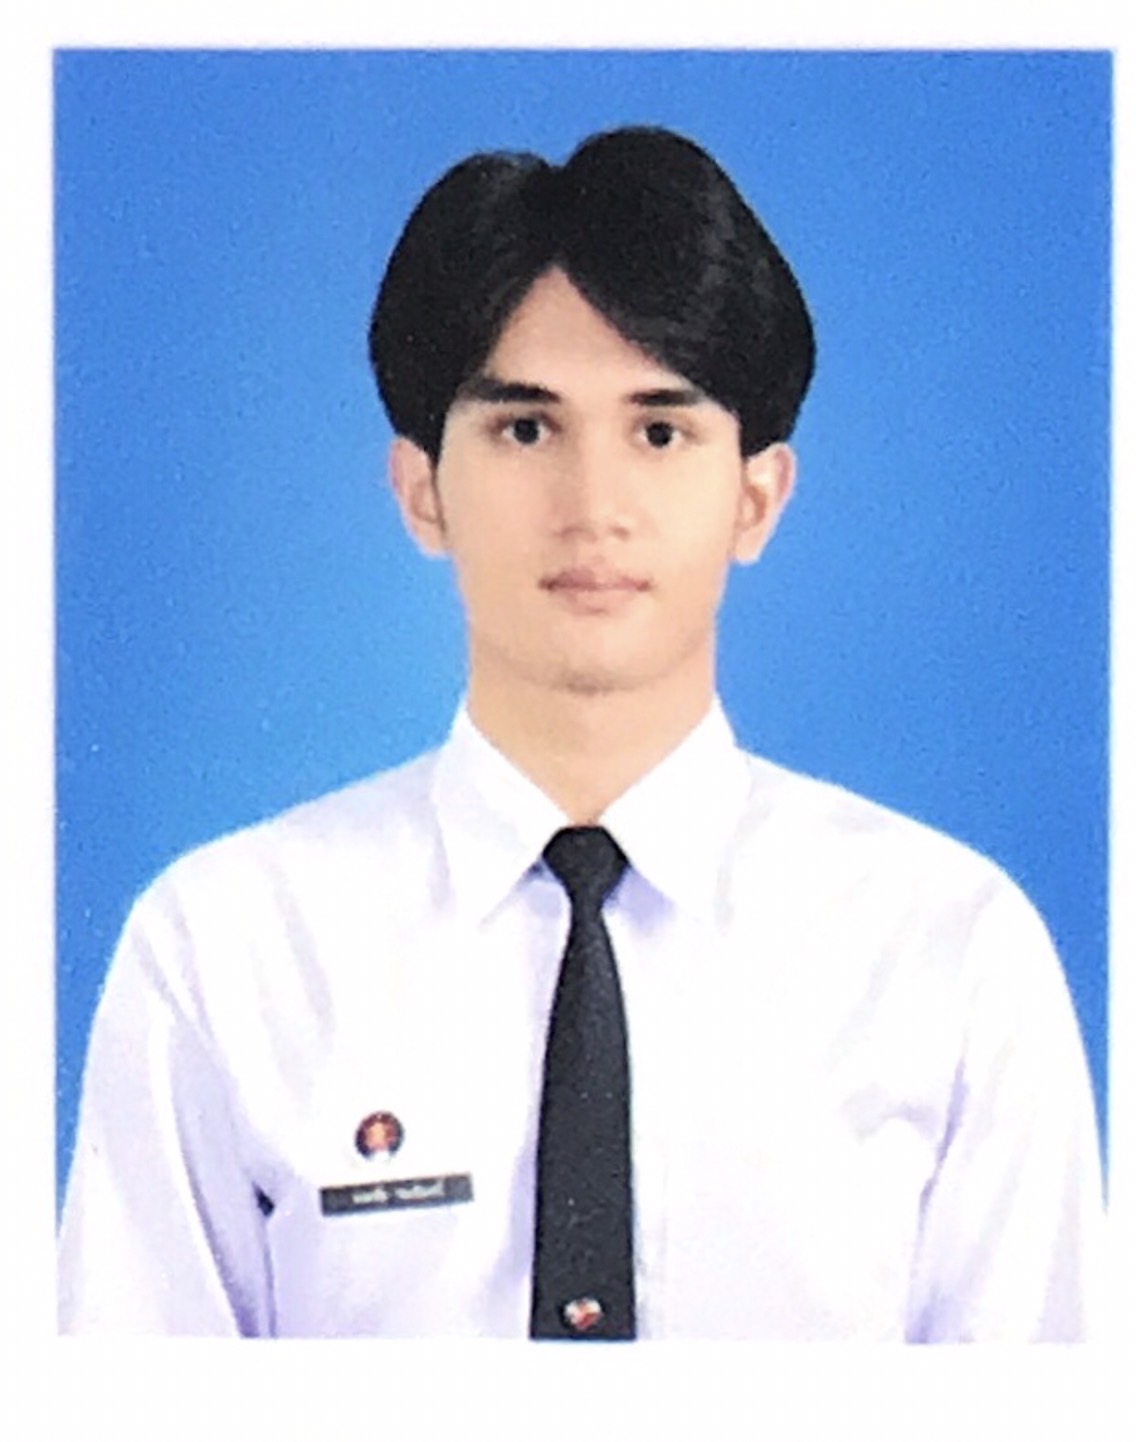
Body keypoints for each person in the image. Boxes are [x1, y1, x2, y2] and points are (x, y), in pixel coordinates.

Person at [57, 125, 1103, 1340]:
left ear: (755, 496)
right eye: (525, 429)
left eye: (659, 432)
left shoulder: (948, 953)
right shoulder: (225, 951)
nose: (593, 507)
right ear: (420, 490)